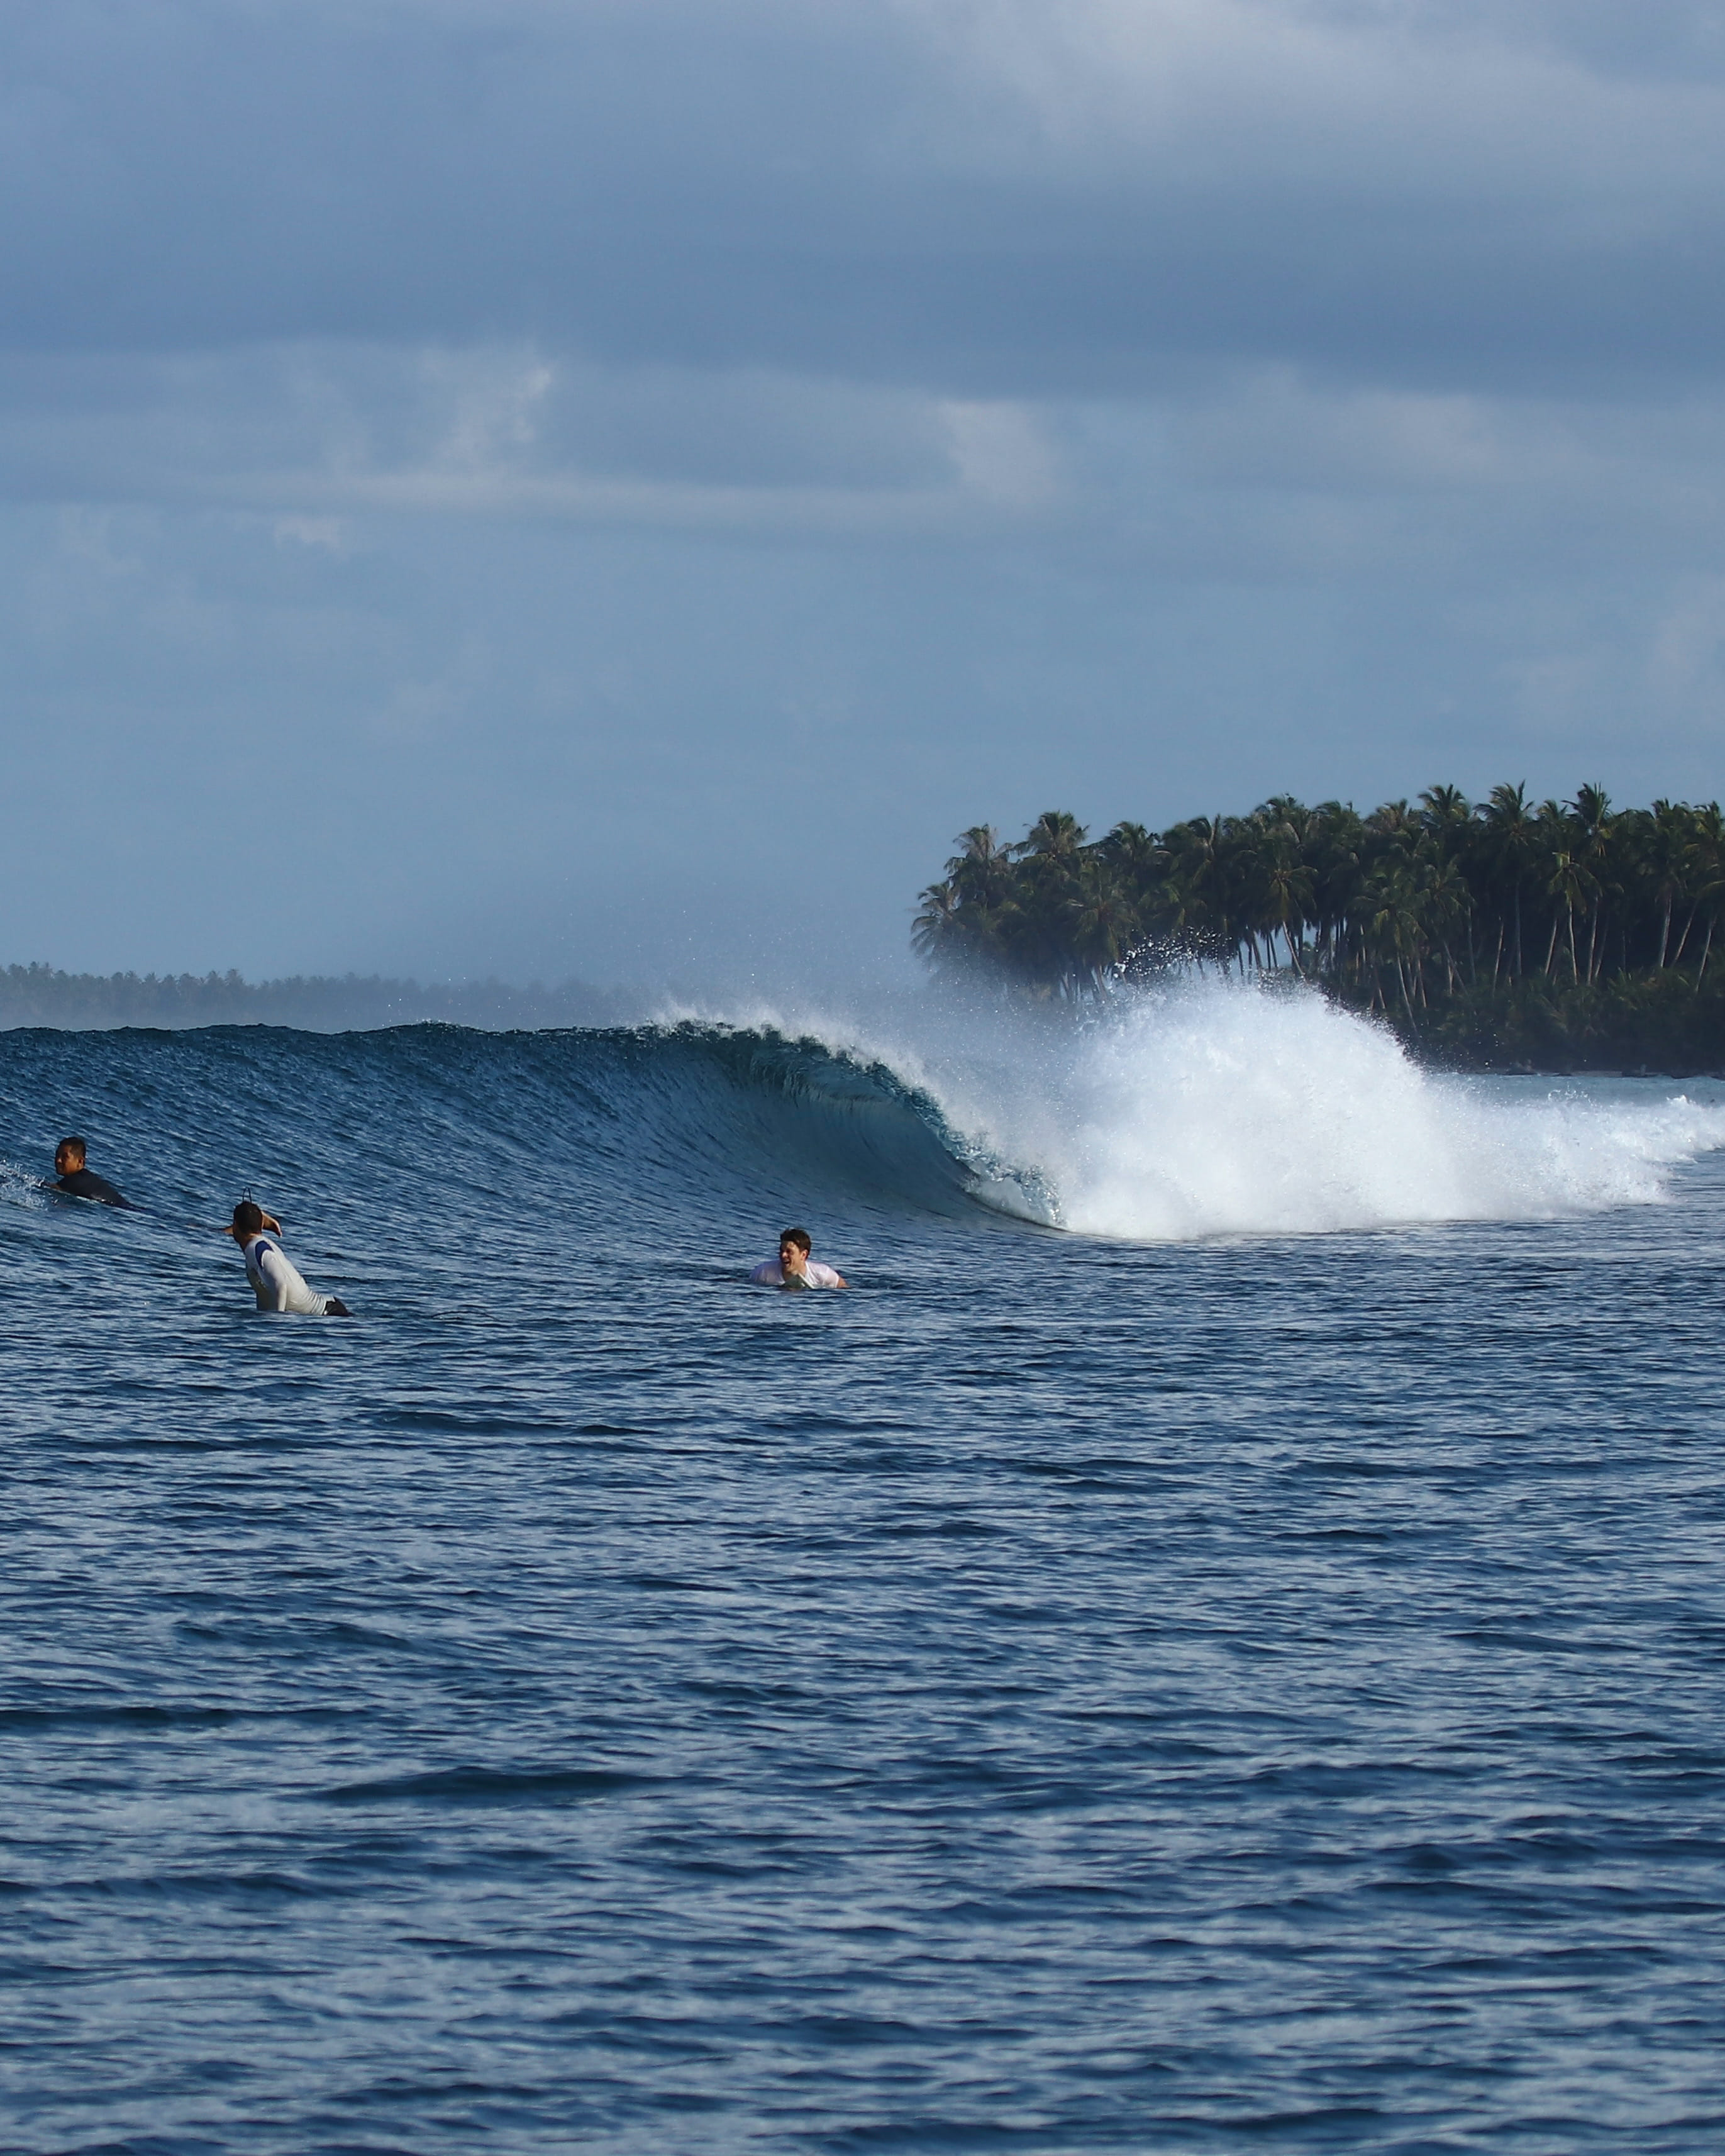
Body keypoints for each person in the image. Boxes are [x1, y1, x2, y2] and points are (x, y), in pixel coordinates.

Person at [229, 1200, 352, 1316]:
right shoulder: (256, 1246)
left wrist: (276, 1325)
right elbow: (264, 1293)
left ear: (235, 1225)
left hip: (327, 1314)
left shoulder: (255, 1248)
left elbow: (280, 1284)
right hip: (325, 1312)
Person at [750, 1227, 847, 1290]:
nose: (783, 1255)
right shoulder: (763, 1273)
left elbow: (844, 1289)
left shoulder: (822, 1274)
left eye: (789, 1252)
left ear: (803, 1255)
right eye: (781, 1250)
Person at [51, 1136, 134, 1208]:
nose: (58, 1160)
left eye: (65, 1157)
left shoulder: (74, 1182)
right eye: (57, 1155)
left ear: (80, 1162)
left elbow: (54, 1189)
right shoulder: (85, 1178)